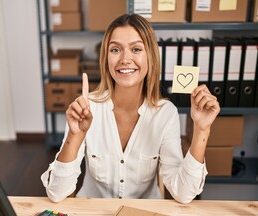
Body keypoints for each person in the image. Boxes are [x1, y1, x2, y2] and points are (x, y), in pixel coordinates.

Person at [41, 13, 220, 204]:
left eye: (136, 49)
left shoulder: (166, 113)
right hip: (93, 213)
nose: (125, 59)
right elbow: (56, 193)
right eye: (116, 50)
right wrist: (75, 136)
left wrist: (202, 130)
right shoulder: (86, 109)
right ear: (106, 58)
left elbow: (183, 194)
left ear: (150, 56)